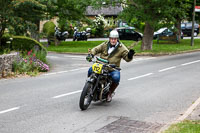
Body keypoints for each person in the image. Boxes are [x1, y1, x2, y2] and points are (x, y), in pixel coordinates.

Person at [86, 30, 135, 102]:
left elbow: (127, 58)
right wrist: (91, 54)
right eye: (111, 38)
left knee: (116, 77)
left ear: (117, 39)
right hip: (101, 65)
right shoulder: (105, 44)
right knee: (90, 70)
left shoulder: (122, 48)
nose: (113, 40)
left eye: (114, 39)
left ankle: (109, 93)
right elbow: (96, 49)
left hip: (112, 68)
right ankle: (90, 86)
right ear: (109, 38)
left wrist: (130, 56)